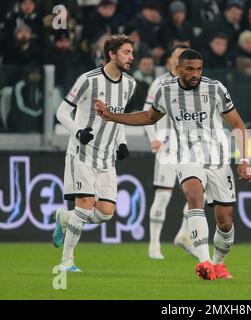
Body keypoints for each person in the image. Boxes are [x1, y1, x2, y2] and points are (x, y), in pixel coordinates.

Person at [95, 49, 251, 280]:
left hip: (217, 157)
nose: (195, 74)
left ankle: (218, 264)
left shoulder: (215, 88)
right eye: (189, 69)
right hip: (186, 155)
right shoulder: (166, 90)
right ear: (178, 68)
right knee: (194, 196)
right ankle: (205, 262)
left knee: (225, 221)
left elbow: (237, 123)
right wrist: (112, 115)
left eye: (199, 69)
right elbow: (149, 117)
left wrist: (246, 160)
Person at [52, 35, 136, 272]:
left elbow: (118, 117)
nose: (132, 57)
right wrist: (78, 132)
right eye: (127, 52)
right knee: (85, 205)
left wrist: (122, 142)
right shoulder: (88, 80)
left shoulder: (130, 84)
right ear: (111, 54)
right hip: (82, 153)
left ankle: (64, 218)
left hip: (107, 158)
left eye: (131, 52)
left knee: (106, 213)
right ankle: (66, 262)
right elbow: (61, 112)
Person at [141, 45, 196, 260]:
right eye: (177, 56)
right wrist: (153, 138)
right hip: (166, 146)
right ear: (171, 60)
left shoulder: (194, 83)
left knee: (198, 192)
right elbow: (147, 113)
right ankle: (154, 245)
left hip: (189, 147)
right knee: (163, 196)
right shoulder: (161, 83)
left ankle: (183, 234)